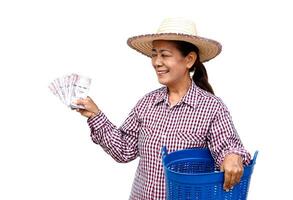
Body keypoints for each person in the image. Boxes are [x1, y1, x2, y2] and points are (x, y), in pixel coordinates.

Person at [73, 18, 251, 200]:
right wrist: (95, 115)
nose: (156, 62)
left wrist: (232, 156)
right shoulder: (147, 103)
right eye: (154, 54)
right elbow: (124, 150)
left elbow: (229, 147)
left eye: (165, 55)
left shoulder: (212, 108)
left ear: (189, 60)